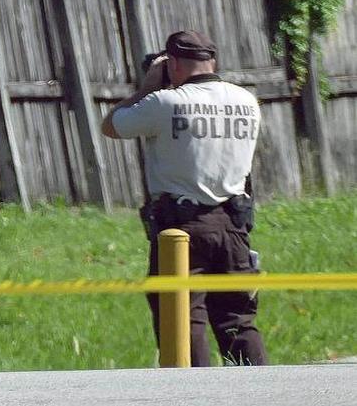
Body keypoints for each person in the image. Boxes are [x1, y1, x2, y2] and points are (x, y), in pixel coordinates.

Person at [101, 29, 268, 367]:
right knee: (238, 321)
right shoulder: (246, 100)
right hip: (234, 225)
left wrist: (148, 87)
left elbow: (111, 125)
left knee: (182, 320)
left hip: (182, 229)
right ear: (212, 61)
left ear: (173, 63)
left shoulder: (165, 102)